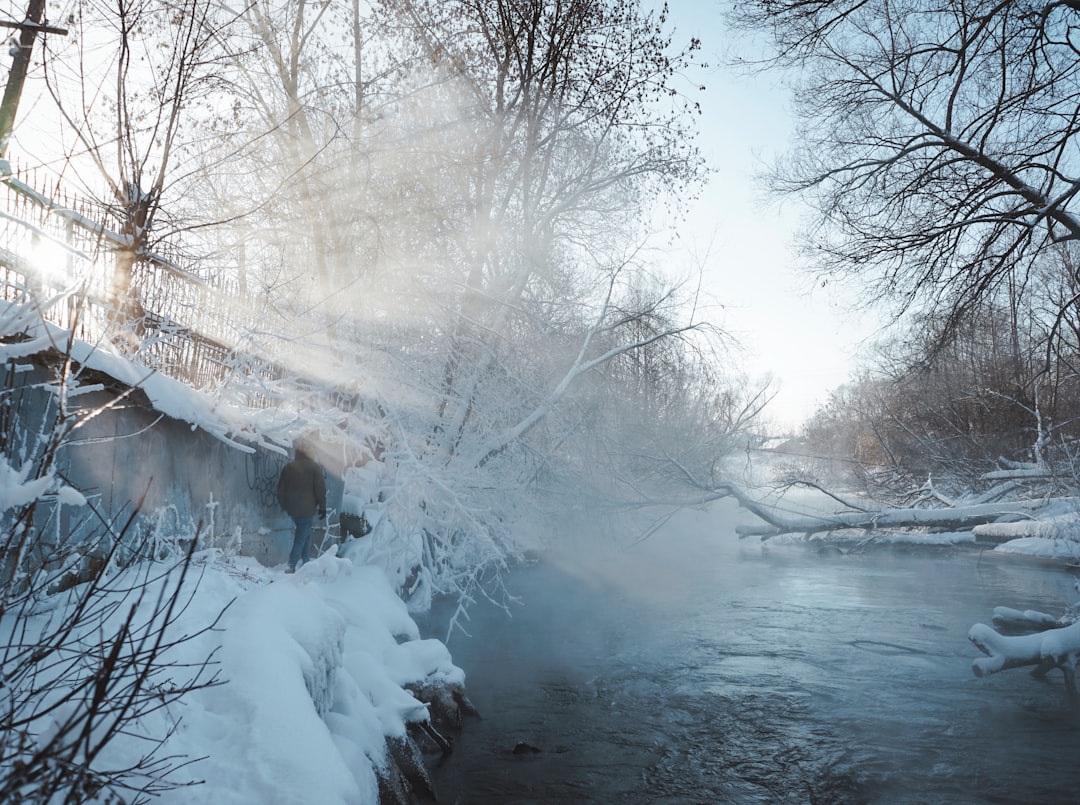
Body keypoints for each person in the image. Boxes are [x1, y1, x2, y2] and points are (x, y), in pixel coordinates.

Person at [276, 438, 326, 573]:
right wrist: (322, 507)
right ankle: (291, 565)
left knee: (306, 533)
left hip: (293, 509)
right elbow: (320, 489)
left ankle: (306, 562)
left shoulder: (288, 467)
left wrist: (285, 506)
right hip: (307, 509)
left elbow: (280, 489)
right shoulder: (314, 468)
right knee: (301, 537)